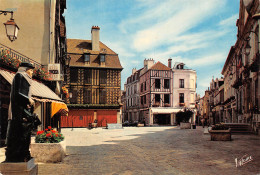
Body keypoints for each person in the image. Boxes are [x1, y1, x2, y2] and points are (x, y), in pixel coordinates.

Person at [5, 62, 40, 162]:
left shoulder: (25, 78)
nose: (32, 73)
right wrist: (28, 100)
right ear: (25, 69)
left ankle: (24, 153)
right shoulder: (20, 76)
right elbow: (18, 93)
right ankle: (19, 155)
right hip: (19, 111)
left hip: (23, 110)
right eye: (31, 70)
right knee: (20, 134)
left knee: (25, 134)